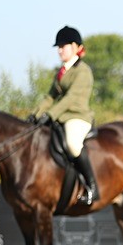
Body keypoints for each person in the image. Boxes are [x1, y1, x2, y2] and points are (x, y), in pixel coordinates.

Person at [32, 25, 97, 205]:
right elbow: (50, 96)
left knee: (73, 145)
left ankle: (92, 187)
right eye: (59, 47)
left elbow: (70, 98)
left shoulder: (82, 71)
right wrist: (35, 114)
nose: (60, 50)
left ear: (76, 47)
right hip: (61, 116)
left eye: (64, 46)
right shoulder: (61, 71)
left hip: (77, 116)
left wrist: (50, 115)